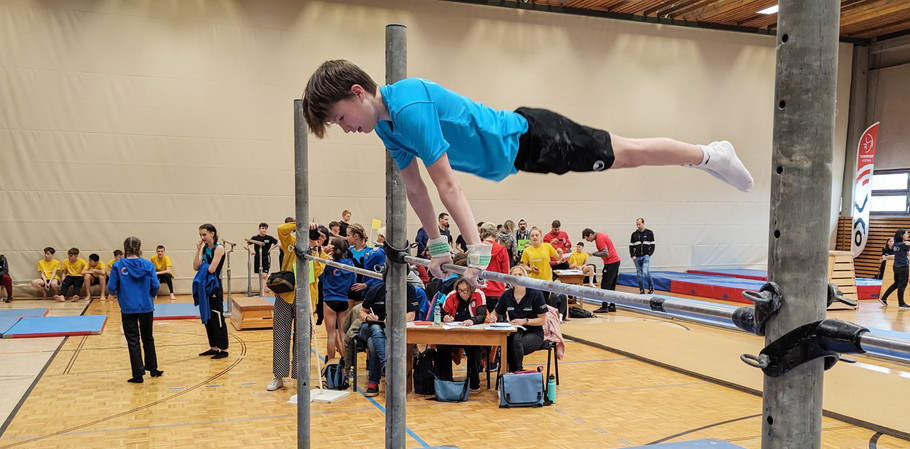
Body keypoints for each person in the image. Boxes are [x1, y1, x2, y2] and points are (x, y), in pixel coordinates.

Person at [302, 60, 753, 286]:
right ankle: (705, 156)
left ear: (358, 93)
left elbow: (446, 184)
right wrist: (437, 246)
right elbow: (415, 189)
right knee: (626, 153)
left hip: (533, 137)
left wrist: (476, 250)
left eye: (340, 118)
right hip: (520, 155)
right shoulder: (387, 127)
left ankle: (708, 154)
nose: (345, 128)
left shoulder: (409, 106)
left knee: (628, 154)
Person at [267, 220, 327, 391]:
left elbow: (315, 273)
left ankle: (301, 376)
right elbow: (281, 229)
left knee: (303, 339)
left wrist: (314, 249)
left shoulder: (322, 256)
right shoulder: (292, 243)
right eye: (315, 234)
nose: (317, 238)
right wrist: (301, 223)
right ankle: (278, 376)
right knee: (280, 335)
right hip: (285, 294)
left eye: (321, 237)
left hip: (306, 298)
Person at [357, 266, 420, 397]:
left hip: (390, 329)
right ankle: (386, 365)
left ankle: (373, 382)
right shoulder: (376, 289)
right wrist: (368, 317)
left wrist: (395, 319)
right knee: (375, 328)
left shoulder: (409, 289)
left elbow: (411, 315)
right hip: (370, 327)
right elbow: (362, 311)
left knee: (372, 343)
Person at [108, 237, 162, 383]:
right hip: (146, 306)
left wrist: (120, 293)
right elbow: (156, 285)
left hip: (128, 307)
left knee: (133, 340)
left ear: (124, 248)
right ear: (140, 248)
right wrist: (149, 296)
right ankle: (153, 369)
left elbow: (111, 287)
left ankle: (138, 374)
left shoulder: (118, 265)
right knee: (148, 337)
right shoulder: (148, 264)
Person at [494, 265, 549, 373]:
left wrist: (525, 321)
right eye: (515, 275)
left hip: (534, 332)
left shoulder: (536, 294)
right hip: (515, 332)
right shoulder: (507, 295)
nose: (518, 277)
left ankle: (515, 373)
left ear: (525, 277)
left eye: (520, 274)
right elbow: (496, 312)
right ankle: (515, 374)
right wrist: (493, 317)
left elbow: (542, 320)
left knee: (513, 346)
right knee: (511, 342)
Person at [436, 278, 488, 391]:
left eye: (466, 290)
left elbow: (482, 315)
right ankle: (446, 380)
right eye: (460, 290)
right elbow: (441, 314)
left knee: (475, 349)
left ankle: (474, 383)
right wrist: (445, 317)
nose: (463, 293)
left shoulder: (479, 294)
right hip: (453, 333)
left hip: (472, 333)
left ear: (471, 289)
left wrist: (472, 320)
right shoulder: (451, 295)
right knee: (442, 346)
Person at [193, 224, 229, 359]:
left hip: (214, 286)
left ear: (212, 234)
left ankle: (223, 348)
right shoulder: (204, 248)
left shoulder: (219, 248)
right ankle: (214, 347)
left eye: (204, 234)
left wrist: (203, 264)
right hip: (205, 286)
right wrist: (198, 251)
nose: (202, 237)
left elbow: (211, 269)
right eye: (200, 235)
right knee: (207, 316)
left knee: (216, 317)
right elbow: (196, 267)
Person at [321, 237, 356, 362]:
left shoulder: (328, 264)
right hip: (343, 300)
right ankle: (347, 364)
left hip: (330, 299)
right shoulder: (350, 264)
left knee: (331, 335)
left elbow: (320, 276)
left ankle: (330, 362)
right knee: (343, 334)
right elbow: (353, 282)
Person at [583, 227, 621, 313]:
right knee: (611, 285)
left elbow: (605, 253)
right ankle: (612, 305)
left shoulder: (599, 239)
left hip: (611, 262)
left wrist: (593, 253)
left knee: (605, 285)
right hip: (615, 261)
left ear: (591, 235)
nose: (588, 241)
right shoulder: (601, 235)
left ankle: (604, 306)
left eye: (587, 239)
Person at [479, 222, 511, 313]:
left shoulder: (477, 248)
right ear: (495, 233)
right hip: (497, 290)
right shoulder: (502, 249)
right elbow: (506, 272)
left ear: (481, 233)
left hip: (480, 290)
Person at [880, 228, 910, 309]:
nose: (908, 235)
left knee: (896, 283)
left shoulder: (895, 244)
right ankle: (901, 303)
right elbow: (908, 254)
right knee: (902, 285)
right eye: (906, 234)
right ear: (902, 235)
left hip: (896, 266)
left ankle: (884, 298)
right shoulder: (903, 245)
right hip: (903, 266)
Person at [248, 222, 279, 298]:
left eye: (265, 229)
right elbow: (246, 245)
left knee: (264, 275)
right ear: (259, 229)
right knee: (260, 276)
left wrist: (271, 248)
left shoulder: (269, 238)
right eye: (262, 228)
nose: (264, 230)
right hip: (257, 258)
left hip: (265, 257)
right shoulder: (255, 238)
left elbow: (278, 243)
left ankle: (263, 294)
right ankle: (262, 291)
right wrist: (251, 250)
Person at [629, 217, 656, 294]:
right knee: (639, 274)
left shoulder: (649, 233)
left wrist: (649, 254)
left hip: (645, 256)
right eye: (637, 224)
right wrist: (632, 256)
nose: (638, 226)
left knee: (645, 271)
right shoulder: (634, 234)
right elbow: (631, 246)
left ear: (643, 223)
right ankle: (641, 289)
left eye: (639, 224)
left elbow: (653, 245)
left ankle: (651, 286)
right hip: (637, 257)